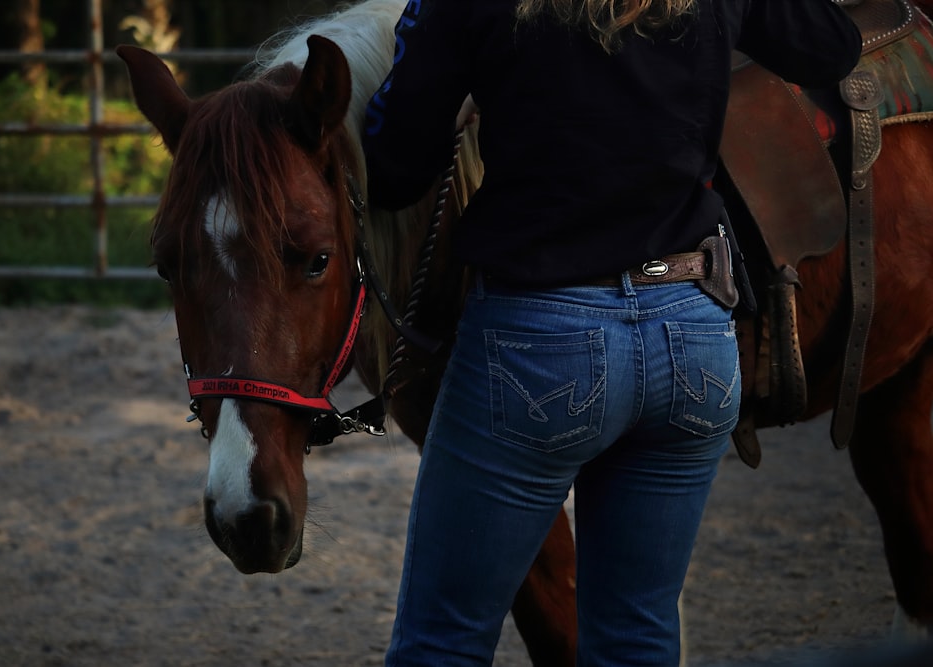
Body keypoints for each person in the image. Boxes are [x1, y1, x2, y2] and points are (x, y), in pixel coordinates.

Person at [361, 1, 862, 665]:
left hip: (540, 345)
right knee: (636, 637)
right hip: (694, 334)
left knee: (442, 640)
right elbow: (832, 45)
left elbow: (395, 170)